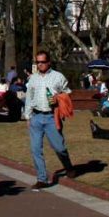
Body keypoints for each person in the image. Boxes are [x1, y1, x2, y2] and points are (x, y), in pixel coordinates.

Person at [25, 51, 76, 189]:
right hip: (36, 116)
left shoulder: (58, 77)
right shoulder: (33, 79)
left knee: (59, 147)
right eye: (38, 62)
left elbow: (68, 93)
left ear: (48, 62)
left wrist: (58, 98)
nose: (40, 65)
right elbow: (29, 97)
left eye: (42, 62)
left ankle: (68, 166)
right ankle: (42, 178)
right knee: (35, 148)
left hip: (51, 117)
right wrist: (28, 116)